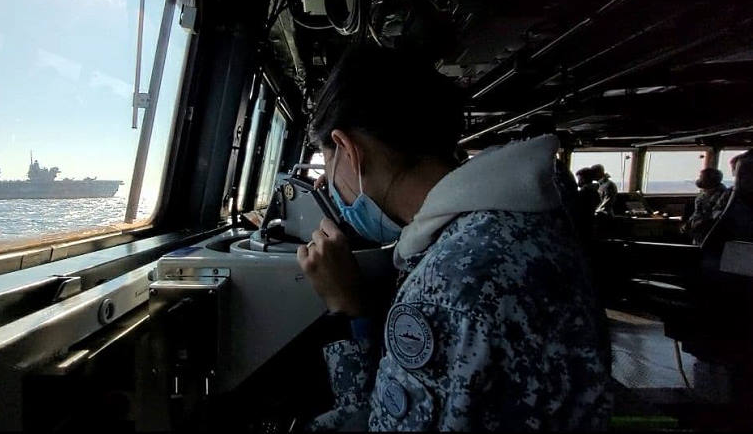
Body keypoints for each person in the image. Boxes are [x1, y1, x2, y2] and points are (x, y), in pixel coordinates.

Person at [297, 45, 611, 431]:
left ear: (348, 149)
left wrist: (345, 308)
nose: (329, 184)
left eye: (328, 163)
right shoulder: (517, 223)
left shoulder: (448, 282)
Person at [683, 168, 730, 244]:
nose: (699, 179)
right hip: (698, 235)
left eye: (701, 177)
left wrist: (698, 224)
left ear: (709, 180)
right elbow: (697, 212)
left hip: (711, 237)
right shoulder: (703, 194)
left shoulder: (723, 195)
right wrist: (689, 223)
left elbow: (715, 217)